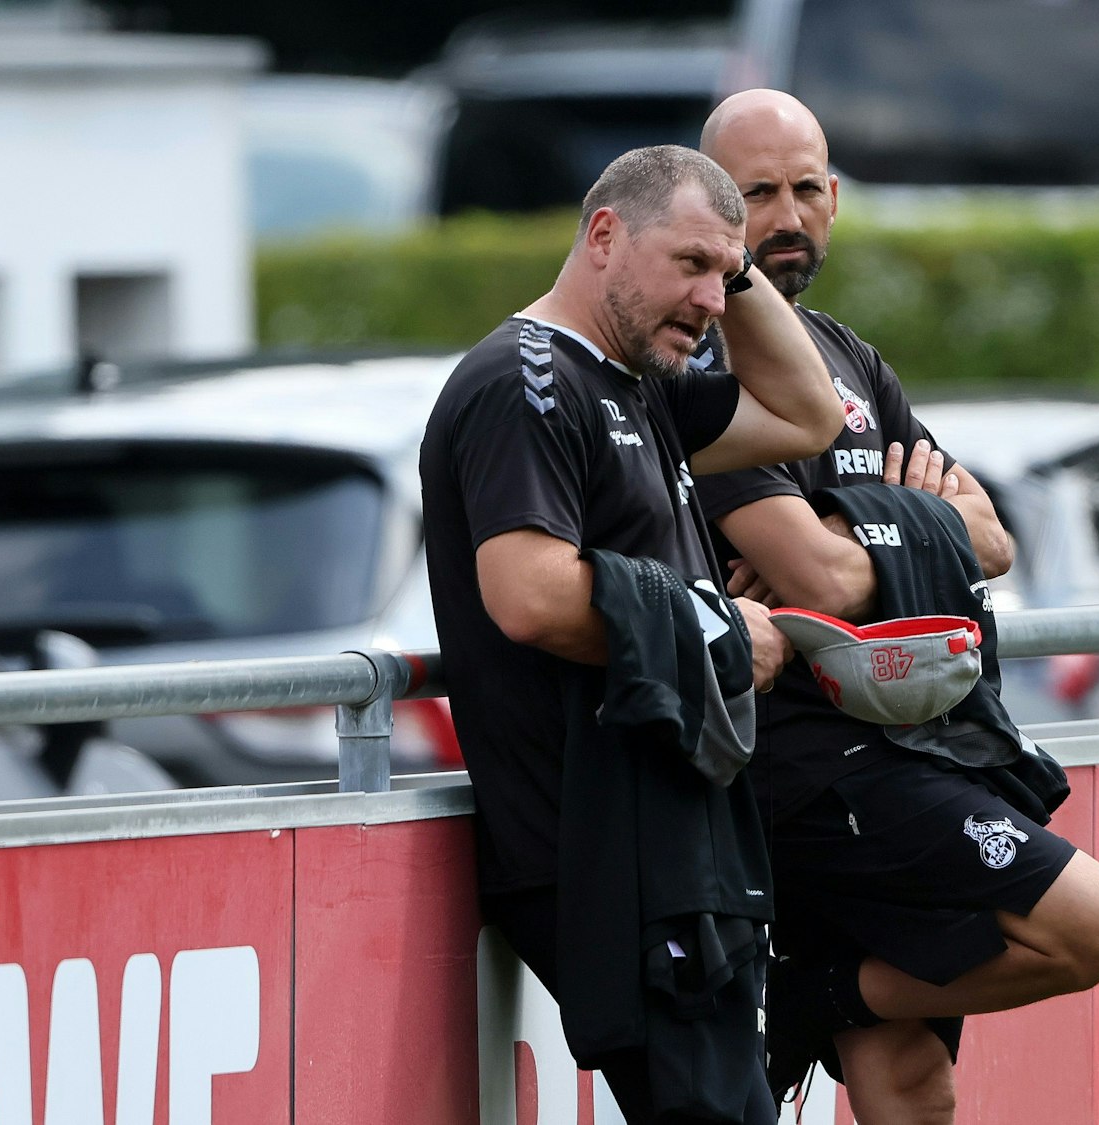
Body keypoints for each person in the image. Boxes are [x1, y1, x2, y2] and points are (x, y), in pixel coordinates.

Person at [691, 89, 1099, 1123]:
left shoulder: (849, 357)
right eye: (758, 194)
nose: (789, 216)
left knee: (910, 1086)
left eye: (807, 188)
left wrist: (857, 525)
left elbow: (991, 538)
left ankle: (822, 993)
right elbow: (824, 582)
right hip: (807, 768)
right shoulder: (702, 363)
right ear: (714, 209)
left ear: (837, 197)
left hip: (907, 743)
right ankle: (816, 994)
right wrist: (901, 518)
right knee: (1093, 922)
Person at [419, 144, 840, 1123]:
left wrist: (735, 269)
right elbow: (526, 594)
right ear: (603, 235)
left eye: (723, 274)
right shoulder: (523, 379)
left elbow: (808, 411)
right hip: (601, 845)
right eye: (689, 263)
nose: (710, 297)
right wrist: (719, 630)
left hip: (674, 838)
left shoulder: (639, 379)